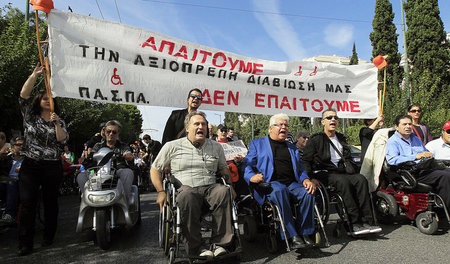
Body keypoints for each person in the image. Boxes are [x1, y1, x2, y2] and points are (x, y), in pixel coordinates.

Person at [151, 111, 234, 260]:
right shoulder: (172, 146)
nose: (201, 126)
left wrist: (231, 186)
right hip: (185, 188)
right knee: (187, 196)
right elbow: (155, 169)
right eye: (196, 124)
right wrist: (160, 191)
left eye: (203, 124)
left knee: (223, 192)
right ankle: (196, 247)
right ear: (187, 128)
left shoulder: (216, 147)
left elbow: (223, 168)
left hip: (210, 187)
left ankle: (220, 244)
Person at [302, 108, 381, 236]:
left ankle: (367, 221)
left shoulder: (341, 138)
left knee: (361, 179)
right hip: (325, 172)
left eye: (335, 118)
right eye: (329, 118)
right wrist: (310, 177)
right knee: (343, 182)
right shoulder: (316, 140)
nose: (333, 120)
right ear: (323, 122)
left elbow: (348, 157)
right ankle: (353, 223)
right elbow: (305, 160)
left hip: (342, 171)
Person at [18, 63, 68, 256]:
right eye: (44, 98)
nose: (47, 100)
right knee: (28, 202)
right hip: (31, 165)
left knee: (50, 201)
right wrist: (34, 75)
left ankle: (49, 235)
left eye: (50, 98)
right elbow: (23, 95)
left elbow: (62, 139)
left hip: (51, 167)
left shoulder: (60, 121)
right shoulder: (30, 117)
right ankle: (25, 243)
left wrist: (56, 124)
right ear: (39, 101)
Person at [244, 113, 316, 249]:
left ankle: (305, 233)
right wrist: (251, 176)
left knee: (308, 192)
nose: (284, 127)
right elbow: (247, 164)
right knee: (280, 190)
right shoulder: (257, 144)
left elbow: (300, 169)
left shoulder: (292, 148)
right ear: (271, 128)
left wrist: (306, 179)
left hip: (292, 184)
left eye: (286, 125)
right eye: (280, 125)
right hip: (270, 183)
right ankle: (292, 235)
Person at [386, 115, 450, 210]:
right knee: (444, 176)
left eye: (410, 124)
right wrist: (415, 156)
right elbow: (392, 160)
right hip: (409, 173)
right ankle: (447, 209)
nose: (408, 126)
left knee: (447, 171)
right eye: (404, 124)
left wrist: (428, 154)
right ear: (396, 127)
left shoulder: (415, 139)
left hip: (423, 168)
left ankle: (441, 204)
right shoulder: (393, 141)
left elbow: (424, 152)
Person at [77, 120, 134, 201]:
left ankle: (124, 201)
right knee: (81, 176)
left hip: (117, 171)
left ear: (118, 134)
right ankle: (88, 200)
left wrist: (129, 156)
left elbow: (128, 153)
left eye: (114, 132)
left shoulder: (123, 146)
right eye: (108, 131)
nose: (111, 134)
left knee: (128, 172)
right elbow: (91, 157)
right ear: (104, 132)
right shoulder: (97, 145)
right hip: (98, 172)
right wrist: (84, 159)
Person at [0, 136, 24, 224]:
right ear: (13, 146)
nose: (21, 147)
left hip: (21, 184)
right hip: (6, 183)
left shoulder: (28, 161)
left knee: (11, 183)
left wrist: (24, 168)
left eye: (23, 145)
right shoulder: (7, 159)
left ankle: (10, 214)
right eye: (19, 145)